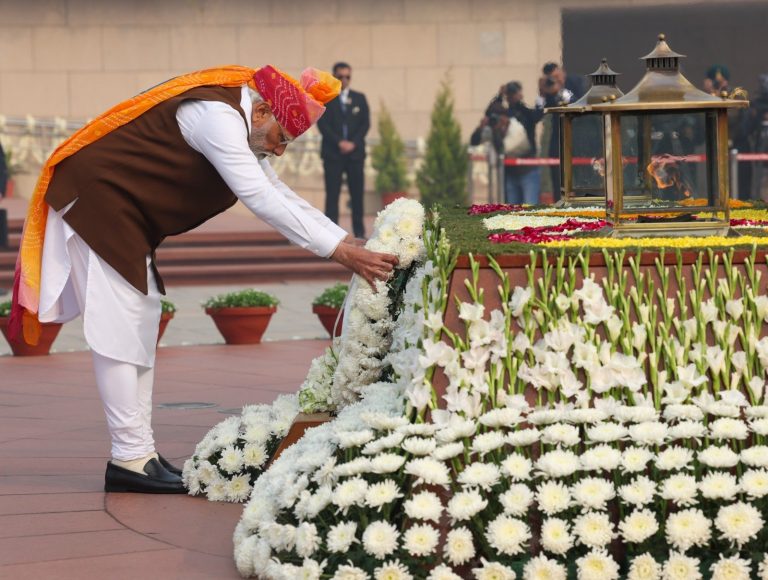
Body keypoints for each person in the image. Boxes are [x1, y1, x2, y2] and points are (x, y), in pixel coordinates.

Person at [9, 65, 398, 494]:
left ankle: (139, 454)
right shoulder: (217, 117)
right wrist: (339, 252)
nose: (281, 151)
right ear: (264, 110)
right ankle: (129, 457)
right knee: (121, 325)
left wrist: (345, 238)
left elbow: (278, 191)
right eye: (282, 139)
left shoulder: (243, 126)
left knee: (140, 317)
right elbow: (259, 196)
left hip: (122, 212)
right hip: (96, 201)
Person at [317, 62, 370, 239]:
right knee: (332, 194)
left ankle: (359, 232)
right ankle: (331, 234)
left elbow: (365, 123)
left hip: (355, 155)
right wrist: (339, 142)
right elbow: (322, 125)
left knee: (357, 195)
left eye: (348, 77)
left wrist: (353, 142)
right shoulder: (326, 99)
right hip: (333, 154)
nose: (345, 80)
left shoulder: (359, 98)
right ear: (334, 77)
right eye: (341, 77)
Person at [483, 82, 544, 205]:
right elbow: (489, 113)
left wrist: (541, 97)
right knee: (512, 211)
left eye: (514, 92)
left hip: (528, 169)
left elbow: (538, 115)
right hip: (510, 171)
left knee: (530, 210)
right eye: (509, 93)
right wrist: (499, 96)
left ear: (520, 94)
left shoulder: (524, 112)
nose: (511, 96)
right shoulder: (504, 112)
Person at [540, 62, 586, 202]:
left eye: (557, 75)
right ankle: (558, 201)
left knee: (578, 173)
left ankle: (580, 201)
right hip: (558, 135)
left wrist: (561, 91)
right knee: (556, 172)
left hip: (578, 135)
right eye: (552, 77)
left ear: (562, 72)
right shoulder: (549, 89)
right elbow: (539, 113)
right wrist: (542, 94)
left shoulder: (576, 82)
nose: (556, 79)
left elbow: (580, 103)